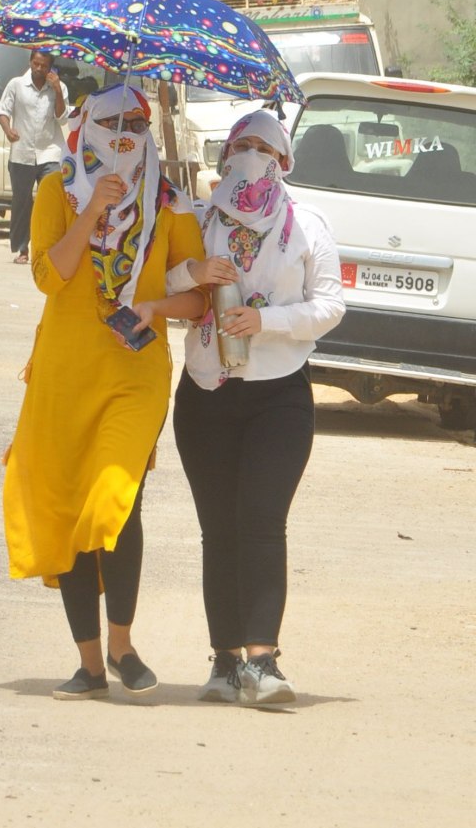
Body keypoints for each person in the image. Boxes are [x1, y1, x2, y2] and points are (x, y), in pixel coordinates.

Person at [2, 84, 206, 701]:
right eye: (111, 122)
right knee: (66, 507)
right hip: (63, 374)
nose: (124, 135)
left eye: (136, 125)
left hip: (134, 373)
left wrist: (153, 305)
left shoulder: (171, 206)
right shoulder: (53, 190)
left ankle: (122, 644)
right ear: (84, 124)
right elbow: (49, 274)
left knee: (116, 500)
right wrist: (91, 212)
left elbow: (198, 303)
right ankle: (90, 665)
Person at [136, 109, 345, 705]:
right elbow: (161, 278)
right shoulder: (200, 218)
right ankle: (224, 660)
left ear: (283, 161)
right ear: (225, 154)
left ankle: (263, 661)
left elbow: (329, 305)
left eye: (265, 147)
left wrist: (266, 321)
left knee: (260, 521)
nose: (252, 156)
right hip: (207, 392)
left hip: (279, 392)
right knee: (217, 530)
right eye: (243, 145)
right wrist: (194, 269)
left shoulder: (306, 224)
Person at [0, 50, 68, 265]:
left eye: (43, 66)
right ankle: (22, 249)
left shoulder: (59, 87)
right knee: (22, 202)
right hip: (22, 152)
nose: (39, 69)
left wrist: (56, 89)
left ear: (50, 68)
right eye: (36, 64)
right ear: (30, 62)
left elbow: (62, 118)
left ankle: (51, 247)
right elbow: (3, 112)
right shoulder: (16, 84)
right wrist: (8, 130)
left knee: (52, 199)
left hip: (49, 152)